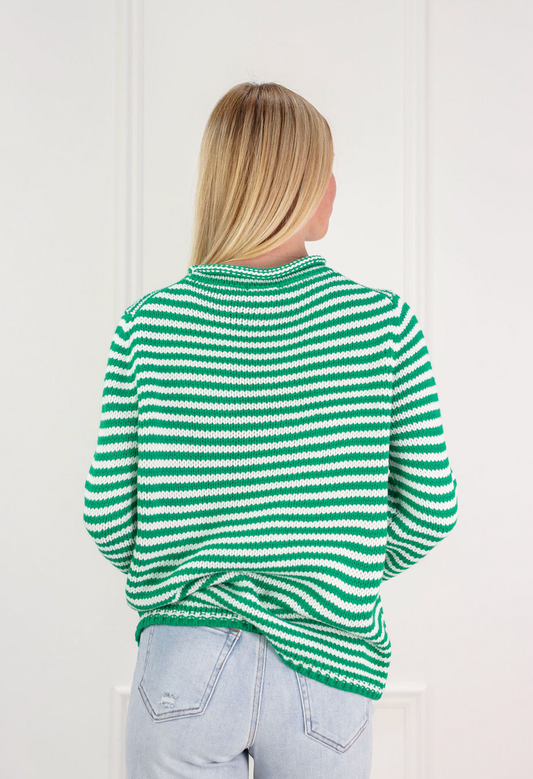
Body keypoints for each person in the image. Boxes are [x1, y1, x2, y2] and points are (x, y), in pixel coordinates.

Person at [83, 81, 459, 779]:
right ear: (290, 187)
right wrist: (333, 569)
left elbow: (106, 518)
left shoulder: (149, 325)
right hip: (328, 664)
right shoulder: (382, 324)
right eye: (324, 170)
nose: (334, 187)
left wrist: (189, 572)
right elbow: (431, 509)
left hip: (183, 666)